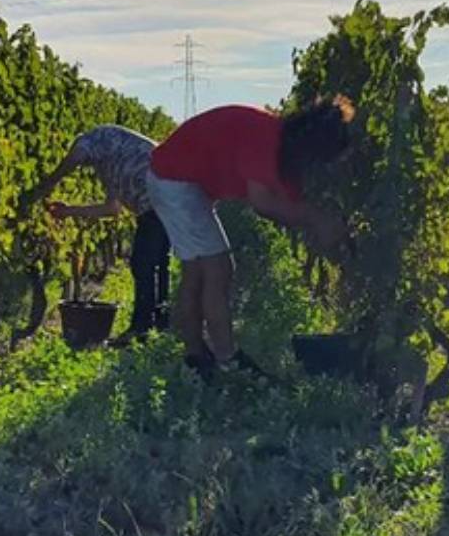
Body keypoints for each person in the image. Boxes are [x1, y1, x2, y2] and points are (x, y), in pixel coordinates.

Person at [147, 99, 352, 375]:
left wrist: (325, 230)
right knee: (218, 269)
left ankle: (196, 358)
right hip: (175, 181)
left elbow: (292, 205)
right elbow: (263, 203)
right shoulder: (266, 137)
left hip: (177, 179)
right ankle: (228, 360)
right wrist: (317, 219)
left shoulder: (280, 145)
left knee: (197, 272)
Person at [22, 124, 171, 338]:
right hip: (162, 199)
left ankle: (143, 327)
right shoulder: (108, 165)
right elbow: (112, 209)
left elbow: (73, 159)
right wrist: (68, 211)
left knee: (143, 263)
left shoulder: (94, 139)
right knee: (156, 263)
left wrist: (45, 187)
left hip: (160, 198)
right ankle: (160, 322)